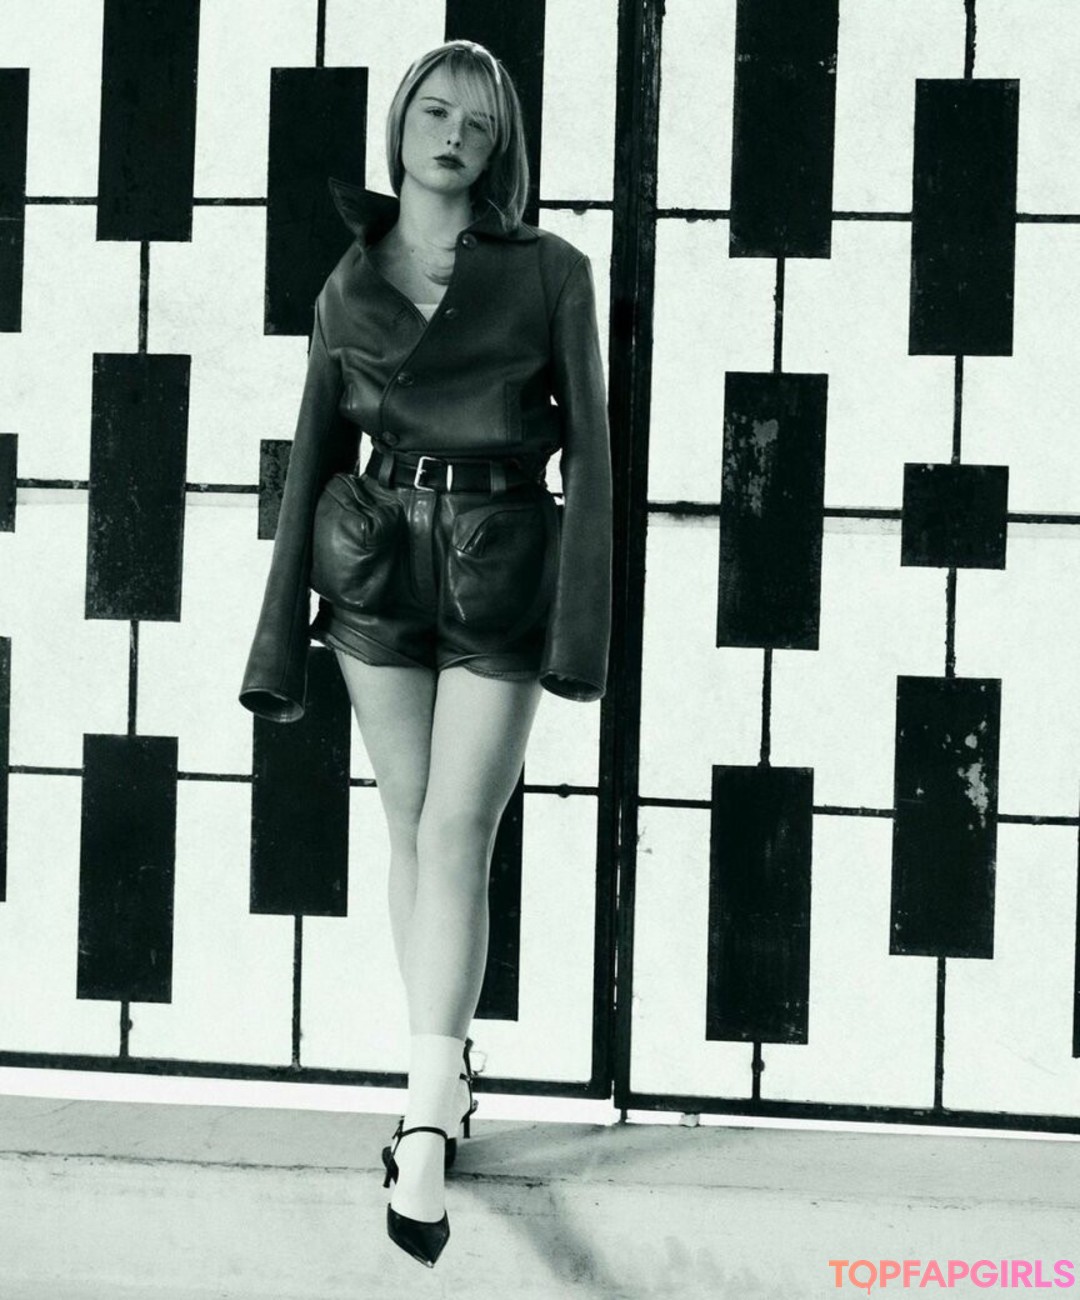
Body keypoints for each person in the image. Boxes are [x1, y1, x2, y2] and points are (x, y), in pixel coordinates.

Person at [238, 38, 612, 1268]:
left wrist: (581, 628)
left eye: (479, 121)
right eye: (435, 111)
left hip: (501, 565)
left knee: (457, 829)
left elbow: (593, 456)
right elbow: (315, 448)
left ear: (501, 147)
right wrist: (280, 630)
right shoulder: (349, 280)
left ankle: (422, 1123)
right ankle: (439, 1085)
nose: (454, 133)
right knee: (408, 822)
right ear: (400, 126)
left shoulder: (551, 270)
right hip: (373, 563)